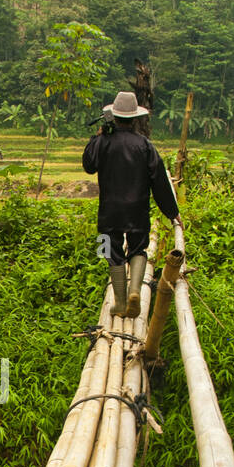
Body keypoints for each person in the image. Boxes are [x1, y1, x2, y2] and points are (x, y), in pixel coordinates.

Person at [83, 90, 183, 317]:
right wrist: (172, 212)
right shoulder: (145, 145)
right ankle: (135, 291)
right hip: (138, 210)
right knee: (139, 248)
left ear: (113, 116)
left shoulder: (102, 142)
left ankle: (119, 303)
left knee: (108, 249)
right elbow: (159, 182)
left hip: (109, 212)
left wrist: (96, 137)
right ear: (135, 118)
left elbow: (89, 165)